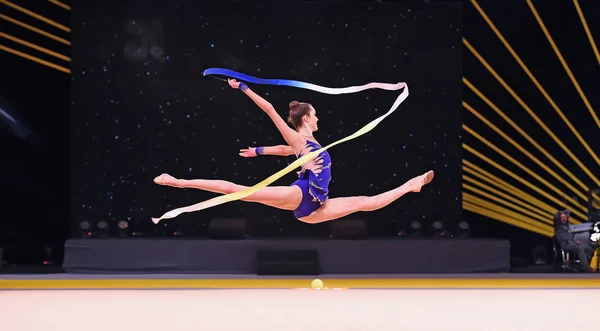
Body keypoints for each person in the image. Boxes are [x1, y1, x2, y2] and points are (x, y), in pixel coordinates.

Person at [154, 78, 434, 224]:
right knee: (239, 191)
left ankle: (411, 185)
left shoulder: (306, 146)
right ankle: (179, 182)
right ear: (306, 119)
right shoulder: (299, 138)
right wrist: (244, 88)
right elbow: (269, 110)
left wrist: (259, 151)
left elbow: (284, 151)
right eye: (315, 115)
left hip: (317, 206)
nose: (318, 118)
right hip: (301, 195)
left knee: (367, 202)